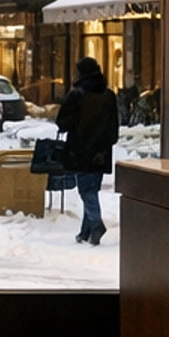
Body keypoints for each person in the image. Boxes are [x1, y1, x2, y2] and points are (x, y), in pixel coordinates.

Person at [57, 54, 120, 245]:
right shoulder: (108, 95)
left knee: (86, 191)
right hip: (101, 151)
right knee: (91, 188)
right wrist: (105, 142)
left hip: (81, 149)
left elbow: (63, 122)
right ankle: (86, 232)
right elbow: (114, 126)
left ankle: (96, 224)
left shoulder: (77, 94)